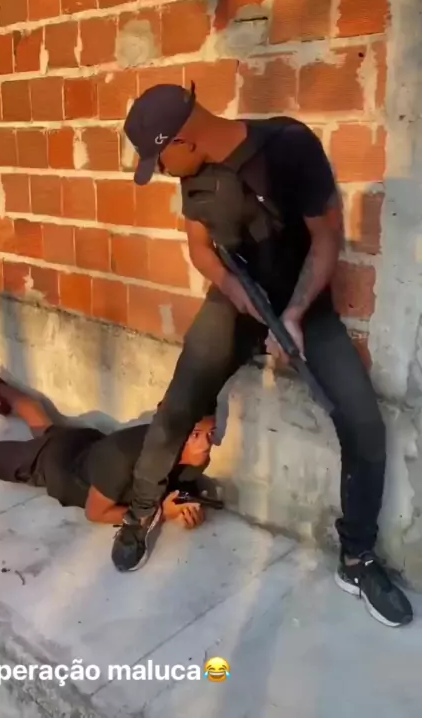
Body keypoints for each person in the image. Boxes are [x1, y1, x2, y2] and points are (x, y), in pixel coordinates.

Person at [111, 81, 414, 628]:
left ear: (183, 140)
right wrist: (234, 290)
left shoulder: (288, 147)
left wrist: (293, 314)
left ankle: (357, 558)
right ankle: (140, 511)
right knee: (179, 404)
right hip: (236, 300)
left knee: (364, 425)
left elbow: (327, 237)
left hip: (302, 304)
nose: (161, 171)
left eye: (160, 159)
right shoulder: (192, 175)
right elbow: (200, 248)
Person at [0, 371, 218, 550]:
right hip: (57, 465)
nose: (206, 445)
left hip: (84, 444)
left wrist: (186, 506)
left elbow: (178, 486)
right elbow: (95, 513)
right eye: (195, 435)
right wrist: (161, 514)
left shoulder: (189, 452)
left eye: (211, 433)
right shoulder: (122, 460)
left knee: (46, 428)